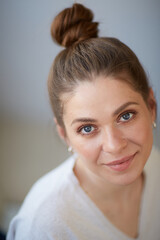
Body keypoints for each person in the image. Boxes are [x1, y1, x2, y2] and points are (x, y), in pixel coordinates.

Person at [7, 3, 160, 240]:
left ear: (151, 107)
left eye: (125, 116)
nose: (114, 145)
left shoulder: (156, 166)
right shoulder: (43, 225)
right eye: (87, 128)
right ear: (64, 135)